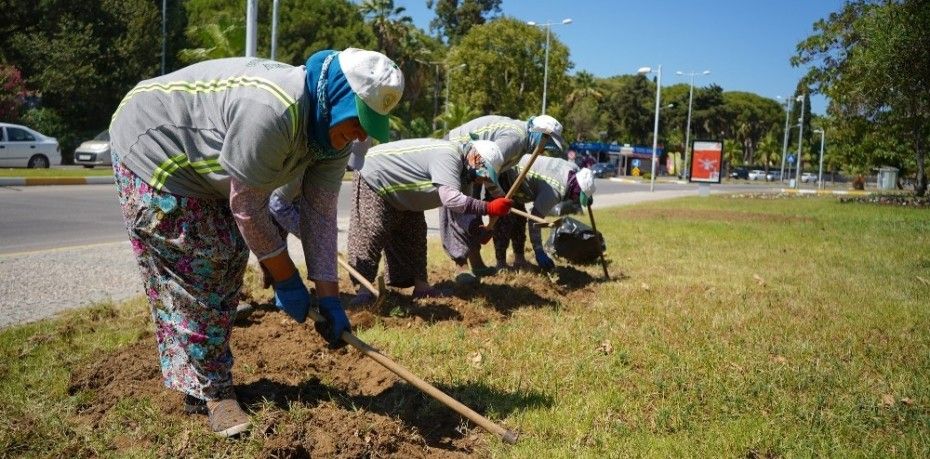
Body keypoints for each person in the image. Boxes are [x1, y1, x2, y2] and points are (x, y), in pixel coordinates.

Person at [109, 48, 403, 437]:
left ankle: (201, 372)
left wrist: (328, 295)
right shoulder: (274, 109)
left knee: (229, 256)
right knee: (201, 263)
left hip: (205, 171)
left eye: (370, 126)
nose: (361, 134)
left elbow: (318, 215)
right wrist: (285, 279)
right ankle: (212, 391)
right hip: (153, 141)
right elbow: (247, 206)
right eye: (358, 121)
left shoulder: (332, 139)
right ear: (334, 97)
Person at [346, 139, 513, 305]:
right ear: (476, 158)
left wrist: (478, 231)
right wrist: (489, 208)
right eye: (483, 173)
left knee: (416, 234)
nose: (482, 180)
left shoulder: (464, 176)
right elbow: (452, 200)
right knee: (372, 232)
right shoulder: (449, 155)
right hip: (376, 175)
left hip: (408, 193)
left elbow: (461, 212)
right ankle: (363, 291)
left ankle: (422, 288)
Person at [439, 115, 566, 284]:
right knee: (457, 206)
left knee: (471, 209)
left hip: (472, 163)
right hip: (455, 152)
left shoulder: (521, 142)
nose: (544, 149)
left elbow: (489, 171)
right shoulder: (516, 138)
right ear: (539, 134)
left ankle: (476, 263)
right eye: (546, 142)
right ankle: (461, 265)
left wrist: (498, 202)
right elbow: (484, 166)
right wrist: (499, 199)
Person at [493, 155, 596, 271]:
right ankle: (500, 265)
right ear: (575, 188)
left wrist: (588, 195)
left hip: (520, 173)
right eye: (578, 196)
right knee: (504, 218)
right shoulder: (554, 191)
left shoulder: (574, 169)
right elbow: (534, 219)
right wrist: (539, 250)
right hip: (508, 171)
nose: (575, 199)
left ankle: (519, 260)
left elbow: (584, 180)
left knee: (519, 218)